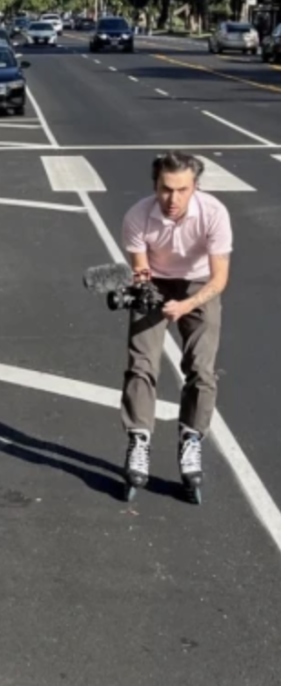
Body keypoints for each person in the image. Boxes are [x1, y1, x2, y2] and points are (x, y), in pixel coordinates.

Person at [120, 151, 232, 495]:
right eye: (166, 189)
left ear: (195, 186)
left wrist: (186, 305)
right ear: (155, 185)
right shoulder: (137, 215)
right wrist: (146, 292)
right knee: (141, 364)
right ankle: (139, 440)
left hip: (200, 286)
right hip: (155, 281)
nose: (173, 199)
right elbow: (141, 269)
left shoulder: (214, 213)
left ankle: (191, 438)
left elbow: (219, 279)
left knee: (201, 370)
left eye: (182, 190)